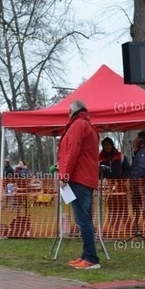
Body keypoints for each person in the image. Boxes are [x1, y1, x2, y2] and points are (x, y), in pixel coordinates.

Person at [57, 100, 101, 270]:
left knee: (83, 220)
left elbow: (72, 151)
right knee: (84, 219)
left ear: (71, 111)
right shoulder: (88, 126)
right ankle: (86, 255)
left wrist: (64, 175)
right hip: (86, 178)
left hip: (79, 178)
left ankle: (90, 258)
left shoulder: (77, 125)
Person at [99, 137, 130, 235]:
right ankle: (114, 229)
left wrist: (123, 180)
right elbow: (98, 172)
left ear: (112, 145)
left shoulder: (120, 156)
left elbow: (127, 169)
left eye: (108, 145)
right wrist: (103, 179)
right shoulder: (100, 158)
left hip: (121, 185)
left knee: (123, 208)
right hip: (108, 186)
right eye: (105, 145)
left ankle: (128, 228)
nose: (107, 147)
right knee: (112, 208)